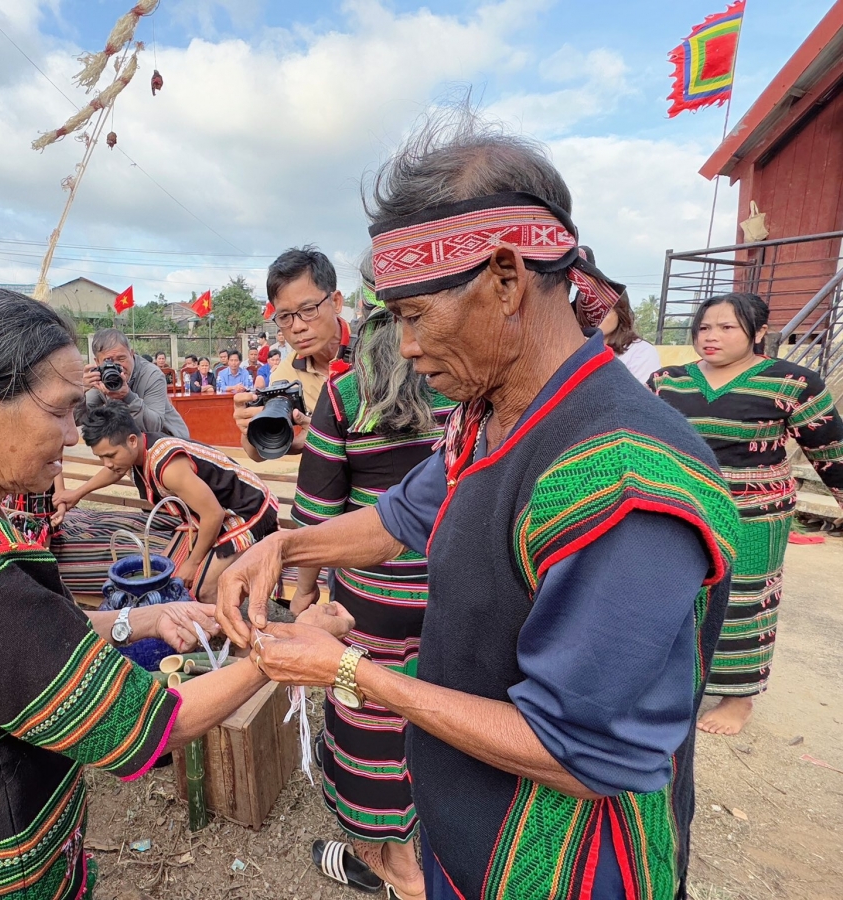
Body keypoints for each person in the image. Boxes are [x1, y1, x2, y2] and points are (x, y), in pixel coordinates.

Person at [218, 116, 740, 900]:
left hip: (565, 868)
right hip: (471, 832)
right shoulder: (496, 416)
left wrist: (351, 669)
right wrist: (287, 551)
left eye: (415, 316)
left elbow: (577, 754)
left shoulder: (624, 477)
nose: (408, 347)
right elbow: (401, 516)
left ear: (504, 279)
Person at [0, 288, 314, 900]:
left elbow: (12, 653)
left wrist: (142, 621)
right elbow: (156, 726)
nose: (71, 436)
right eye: (60, 412)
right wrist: (281, 651)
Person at [293, 292, 456, 899]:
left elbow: (313, 518)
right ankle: (436, 852)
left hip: (369, 600)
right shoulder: (467, 385)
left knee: (371, 717)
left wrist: (303, 598)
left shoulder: (345, 396)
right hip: (454, 593)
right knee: (446, 711)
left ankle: (402, 870)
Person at [650, 292, 843, 735]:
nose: (711, 337)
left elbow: (830, 450)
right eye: (703, 328)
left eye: (726, 327)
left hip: (754, 515)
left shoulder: (792, 382)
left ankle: (737, 698)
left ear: (758, 334)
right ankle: (674, 682)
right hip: (684, 510)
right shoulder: (668, 380)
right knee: (675, 595)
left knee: (744, 602)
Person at [57, 402, 280, 603]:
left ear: (132, 441)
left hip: (248, 509)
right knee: (166, 572)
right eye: (101, 457)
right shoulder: (136, 452)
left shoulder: (168, 467)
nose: (107, 463)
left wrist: (192, 564)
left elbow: (213, 514)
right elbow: (113, 472)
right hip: (211, 511)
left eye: (110, 455)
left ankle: (236, 639)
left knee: (206, 587)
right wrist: (78, 493)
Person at [233, 246, 350, 461]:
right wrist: (248, 426)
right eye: (285, 316)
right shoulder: (286, 377)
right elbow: (257, 456)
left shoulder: (375, 352)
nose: (297, 327)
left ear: (336, 302)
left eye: (308, 310)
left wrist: (320, 435)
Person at [78, 328, 190, 439]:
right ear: (97, 362)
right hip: (132, 441)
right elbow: (78, 420)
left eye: (121, 358)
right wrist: (79, 391)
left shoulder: (152, 375)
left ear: (131, 353)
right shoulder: (101, 376)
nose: (118, 367)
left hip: (169, 439)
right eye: (109, 361)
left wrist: (128, 397)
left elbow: (154, 427)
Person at [572, 250, 660, 384]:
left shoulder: (641, 353)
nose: (595, 315)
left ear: (620, 312)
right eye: (586, 309)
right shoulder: (572, 350)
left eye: (604, 309)